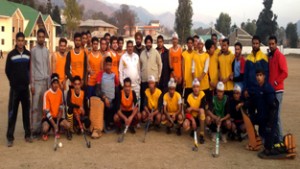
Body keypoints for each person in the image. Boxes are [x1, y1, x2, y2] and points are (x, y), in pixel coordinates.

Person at [5, 32, 32, 147]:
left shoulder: (28, 54)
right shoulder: (11, 55)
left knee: (26, 113)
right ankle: (10, 137)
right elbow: (7, 70)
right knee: (12, 113)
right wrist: (13, 81)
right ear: (16, 41)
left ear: (24, 42)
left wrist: (27, 81)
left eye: (22, 41)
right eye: (19, 40)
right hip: (15, 89)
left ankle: (28, 135)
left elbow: (29, 69)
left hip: (25, 89)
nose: (20, 43)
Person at [252, 69, 283, 158]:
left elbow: (274, 107)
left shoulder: (267, 88)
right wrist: (244, 104)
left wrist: (270, 123)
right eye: (257, 75)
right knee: (251, 119)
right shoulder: (258, 89)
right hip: (262, 117)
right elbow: (253, 101)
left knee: (267, 149)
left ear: (264, 76)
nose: (258, 77)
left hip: (270, 120)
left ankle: (276, 144)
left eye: (260, 75)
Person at [30, 28, 50, 138]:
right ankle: (34, 129)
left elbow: (48, 68)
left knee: (43, 107)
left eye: (43, 37)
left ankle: (43, 128)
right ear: (37, 37)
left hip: (45, 83)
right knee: (35, 107)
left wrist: (49, 84)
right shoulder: (33, 51)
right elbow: (32, 68)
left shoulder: (47, 51)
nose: (41, 39)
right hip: (36, 83)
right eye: (39, 37)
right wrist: (32, 85)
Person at [268, 35, 288, 141]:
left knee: (277, 116)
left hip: (278, 90)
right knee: (272, 116)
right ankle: (275, 137)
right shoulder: (270, 57)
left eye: (273, 44)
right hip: (271, 91)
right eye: (269, 44)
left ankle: (280, 139)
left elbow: (285, 73)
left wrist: (275, 82)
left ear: (276, 44)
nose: (271, 46)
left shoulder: (280, 56)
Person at [244, 36, 269, 118]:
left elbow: (266, 75)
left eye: (257, 43)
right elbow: (246, 76)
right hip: (250, 92)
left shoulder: (264, 57)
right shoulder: (248, 58)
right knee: (250, 116)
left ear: (259, 44)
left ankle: (262, 131)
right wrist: (245, 89)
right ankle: (252, 131)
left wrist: (264, 89)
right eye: (253, 43)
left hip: (260, 92)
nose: (255, 45)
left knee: (261, 115)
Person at [42, 74, 70, 141]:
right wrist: (54, 124)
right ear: (51, 84)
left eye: (57, 83)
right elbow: (46, 112)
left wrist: (59, 116)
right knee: (44, 129)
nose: (56, 85)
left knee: (68, 125)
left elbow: (61, 106)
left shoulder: (60, 92)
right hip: (48, 118)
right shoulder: (47, 94)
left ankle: (56, 130)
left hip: (56, 118)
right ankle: (47, 132)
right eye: (54, 83)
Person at [96, 57, 120, 132]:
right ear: (104, 65)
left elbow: (116, 88)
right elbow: (97, 89)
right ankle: (105, 124)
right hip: (104, 99)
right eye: (107, 65)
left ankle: (115, 123)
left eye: (110, 65)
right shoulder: (100, 74)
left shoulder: (114, 75)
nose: (108, 67)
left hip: (112, 100)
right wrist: (104, 97)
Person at [140, 35, 162, 112]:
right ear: (145, 43)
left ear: (152, 43)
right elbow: (140, 66)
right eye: (147, 42)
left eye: (150, 42)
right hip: (145, 80)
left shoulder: (156, 52)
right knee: (145, 98)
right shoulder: (142, 53)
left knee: (154, 98)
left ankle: (155, 115)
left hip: (154, 80)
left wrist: (159, 76)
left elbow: (160, 64)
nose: (148, 44)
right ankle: (145, 115)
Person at [183, 78, 206, 144]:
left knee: (201, 111)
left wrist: (192, 108)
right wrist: (192, 120)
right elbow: (187, 112)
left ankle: (201, 135)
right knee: (185, 125)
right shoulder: (189, 97)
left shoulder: (202, 94)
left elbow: (202, 109)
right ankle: (193, 130)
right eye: (194, 87)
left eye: (197, 87)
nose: (196, 89)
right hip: (192, 117)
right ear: (192, 88)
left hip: (199, 117)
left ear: (199, 88)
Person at [182, 37, 195, 101]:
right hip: (186, 80)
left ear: (193, 44)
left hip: (193, 80)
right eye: (188, 43)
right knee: (186, 100)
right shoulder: (184, 54)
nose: (190, 44)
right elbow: (183, 67)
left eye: (191, 43)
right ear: (187, 44)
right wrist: (184, 79)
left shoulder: (195, 53)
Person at [205, 39, 218, 107]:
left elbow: (219, 68)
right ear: (208, 49)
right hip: (208, 85)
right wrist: (210, 81)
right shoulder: (205, 56)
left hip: (216, 84)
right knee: (209, 104)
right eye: (212, 48)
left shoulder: (217, 55)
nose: (213, 49)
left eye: (214, 47)